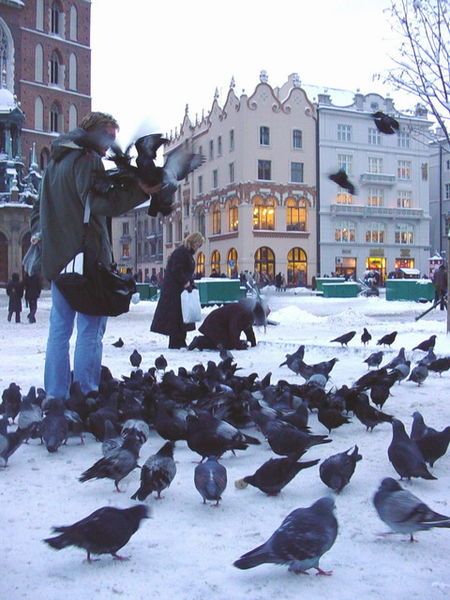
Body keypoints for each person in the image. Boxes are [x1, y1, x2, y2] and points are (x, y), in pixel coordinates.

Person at [30, 111, 159, 400]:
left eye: (114, 137)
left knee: (59, 331)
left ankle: (55, 394)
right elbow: (99, 201)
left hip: (59, 261)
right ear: (92, 132)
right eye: (107, 135)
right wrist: (141, 191)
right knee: (90, 329)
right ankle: (86, 392)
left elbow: (38, 210)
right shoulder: (86, 159)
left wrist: (45, 241)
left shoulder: (55, 161)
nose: (110, 142)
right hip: (86, 260)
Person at [151, 232, 204, 349]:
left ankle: (180, 340)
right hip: (175, 291)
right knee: (176, 317)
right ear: (193, 242)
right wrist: (186, 282)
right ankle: (176, 341)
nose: (198, 248)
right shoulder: (182, 253)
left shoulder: (185, 253)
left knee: (181, 317)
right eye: (198, 245)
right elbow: (177, 270)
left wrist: (190, 283)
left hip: (178, 290)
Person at [187, 298, 268, 351]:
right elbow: (234, 329)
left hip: (220, 325)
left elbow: (247, 328)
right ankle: (199, 341)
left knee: (228, 343)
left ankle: (202, 341)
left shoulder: (248, 313)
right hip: (214, 324)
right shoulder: (243, 313)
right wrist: (237, 345)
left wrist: (253, 342)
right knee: (225, 345)